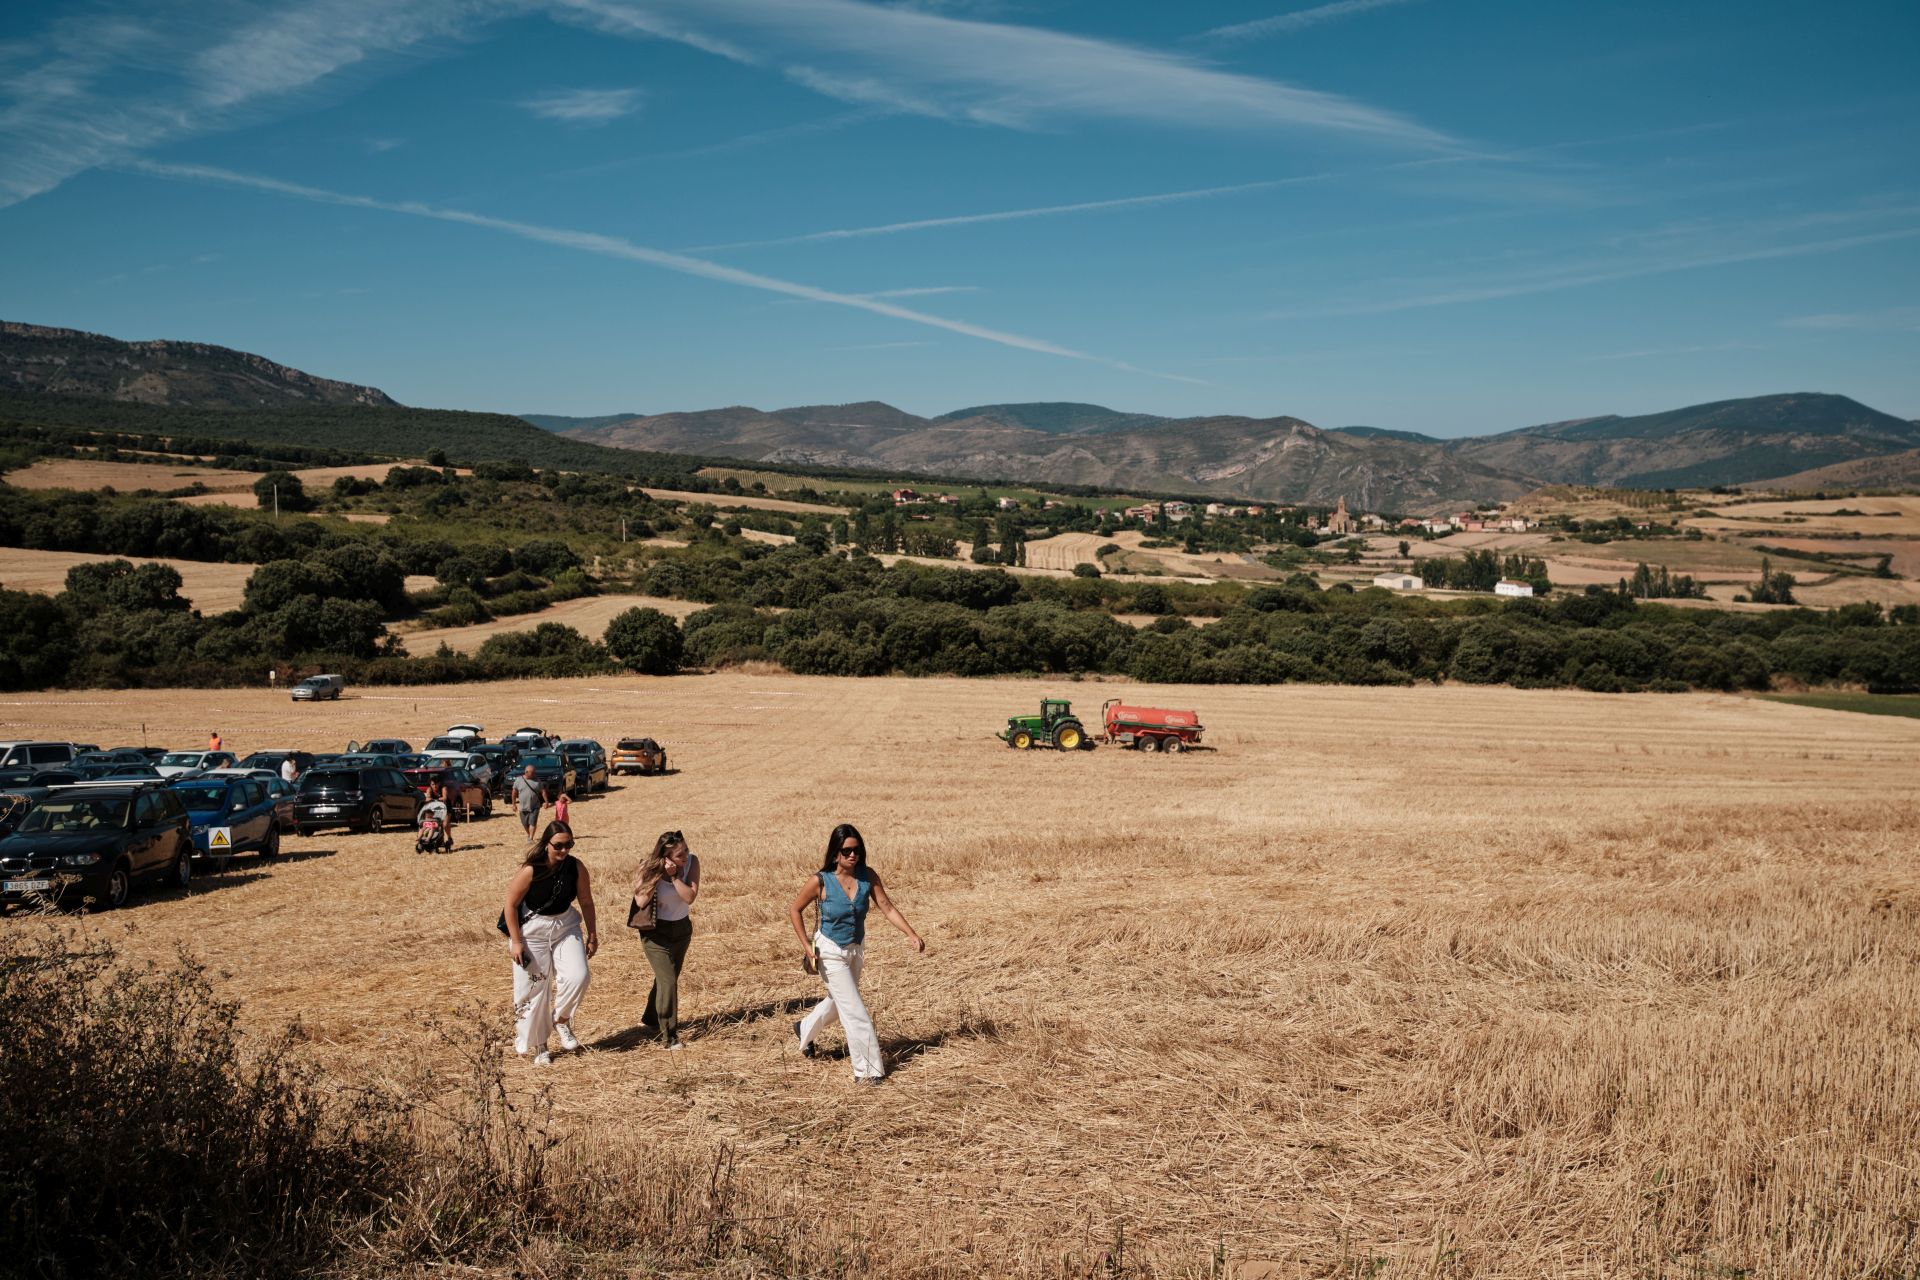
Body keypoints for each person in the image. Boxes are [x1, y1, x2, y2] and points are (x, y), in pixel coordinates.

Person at [788, 823, 925, 1085]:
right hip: (829, 952)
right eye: (848, 850)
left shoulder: (867, 876)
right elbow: (795, 910)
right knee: (854, 1010)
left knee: (840, 1003)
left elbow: (886, 907)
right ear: (835, 852)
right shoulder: (820, 881)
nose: (853, 855)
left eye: (858, 850)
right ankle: (869, 1070)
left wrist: (910, 933)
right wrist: (807, 946)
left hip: (855, 949)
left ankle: (803, 1028)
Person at [503, 820, 596, 1064]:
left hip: (566, 925)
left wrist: (592, 934)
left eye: (569, 845)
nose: (564, 850)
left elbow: (586, 901)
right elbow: (510, 904)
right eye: (559, 846)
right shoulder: (530, 870)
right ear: (546, 844)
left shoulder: (576, 867)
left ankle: (561, 1020)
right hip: (532, 931)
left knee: (579, 975)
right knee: (534, 988)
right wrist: (515, 941)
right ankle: (539, 1044)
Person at [632, 830, 699, 1049]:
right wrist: (657, 874)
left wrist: (674, 877)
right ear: (666, 856)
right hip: (655, 932)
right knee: (668, 980)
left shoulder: (692, 864)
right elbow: (641, 901)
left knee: (666, 978)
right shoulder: (647, 867)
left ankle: (652, 1018)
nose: (685, 857)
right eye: (680, 855)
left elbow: (689, 897)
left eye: (686, 850)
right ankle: (669, 1036)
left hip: (681, 929)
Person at [512, 764, 543, 839]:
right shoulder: (518, 780)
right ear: (526, 772)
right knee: (525, 824)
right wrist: (514, 804)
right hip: (523, 807)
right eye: (532, 773)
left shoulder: (537, 780)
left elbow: (543, 791)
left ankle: (531, 838)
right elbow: (514, 792)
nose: (534, 774)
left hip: (535, 806)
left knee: (532, 822)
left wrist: (546, 801)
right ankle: (529, 835)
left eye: (534, 772)